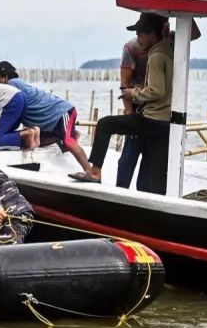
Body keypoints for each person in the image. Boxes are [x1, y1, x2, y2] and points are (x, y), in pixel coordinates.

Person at [69, 13, 173, 194]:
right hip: (166, 121)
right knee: (153, 177)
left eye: (140, 33)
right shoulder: (171, 47)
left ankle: (95, 172)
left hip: (152, 118)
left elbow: (156, 90)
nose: (138, 38)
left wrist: (134, 93)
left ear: (150, 33)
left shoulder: (156, 55)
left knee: (104, 124)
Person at [117, 13, 200, 190]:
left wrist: (183, 12)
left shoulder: (169, 41)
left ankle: (144, 193)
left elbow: (194, 33)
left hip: (158, 111)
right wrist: (129, 113)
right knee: (129, 154)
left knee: (150, 156)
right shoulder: (132, 47)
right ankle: (120, 190)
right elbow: (124, 84)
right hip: (138, 105)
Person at [0, 61, 91, 173]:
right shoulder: (16, 84)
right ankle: (65, 134)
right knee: (37, 141)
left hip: (61, 112)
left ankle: (90, 172)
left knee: (68, 141)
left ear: (5, 77)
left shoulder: (11, 85)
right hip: (52, 120)